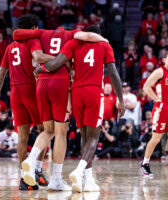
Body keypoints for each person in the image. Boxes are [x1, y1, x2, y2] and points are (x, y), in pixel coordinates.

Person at [13, 17, 109, 191]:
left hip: (41, 81)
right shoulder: (72, 35)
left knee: (47, 129)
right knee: (61, 132)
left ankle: (30, 159)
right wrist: (103, 39)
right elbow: (90, 36)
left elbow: (17, 34)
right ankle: (56, 179)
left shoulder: (41, 33)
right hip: (60, 81)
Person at [32, 25, 125, 192]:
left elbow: (55, 64)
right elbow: (113, 73)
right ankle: (79, 170)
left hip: (76, 92)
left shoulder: (74, 43)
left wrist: (42, 68)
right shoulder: (104, 45)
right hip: (94, 91)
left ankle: (87, 181)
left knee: (84, 137)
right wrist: (121, 99)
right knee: (94, 138)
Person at [0, 14, 52, 191]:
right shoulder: (33, 40)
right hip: (31, 90)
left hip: (15, 93)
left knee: (22, 137)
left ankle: (24, 179)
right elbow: (39, 57)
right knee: (46, 130)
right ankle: (38, 170)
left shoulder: (10, 47)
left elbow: (1, 75)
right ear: (34, 28)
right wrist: (61, 57)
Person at [140, 50, 168, 178]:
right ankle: (145, 162)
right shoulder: (160, 71)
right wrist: (156, 99)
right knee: (156, 138)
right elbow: (146, 87)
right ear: (164, 60)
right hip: (161, 109)